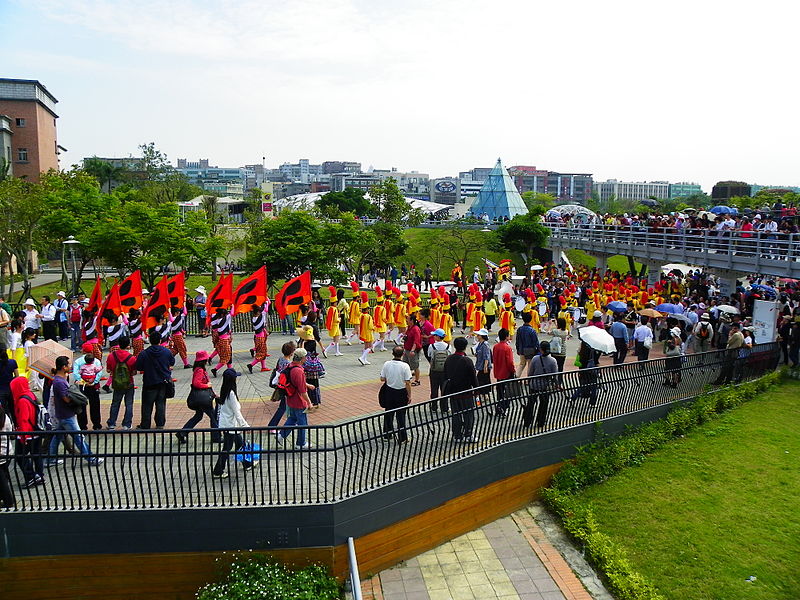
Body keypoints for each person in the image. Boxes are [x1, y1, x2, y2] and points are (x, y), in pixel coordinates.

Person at [48, 355, 102, 466]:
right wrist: (76, 398)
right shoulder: (59, 382)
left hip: (62, 414)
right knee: (78, 437)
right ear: (63, 367)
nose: (70, 366)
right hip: (67, 415)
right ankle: (91, 458)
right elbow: (66, 399)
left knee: (57, 437)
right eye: (68, 364)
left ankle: (51, 459)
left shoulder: (59, 380)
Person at [212, 368, 255, 478]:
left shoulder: (225, 390)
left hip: (229, 425)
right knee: (227, 447)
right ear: (233, 380)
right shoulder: (231, 394)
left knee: (240, 444)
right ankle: (218, 470)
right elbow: (237, 413)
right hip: (230, 426)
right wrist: (246, 427)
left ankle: (247, 464)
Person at [177, 350, 220, 443]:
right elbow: (196, 383)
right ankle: (216, 437)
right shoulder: (200, 370)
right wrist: (207, 386)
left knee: (198, 416)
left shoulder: (198, 369)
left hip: (200, 398)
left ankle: (182, 433)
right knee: (213, 417)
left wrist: (213, 394)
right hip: (203, 399)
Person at [135, 330, 175, 429]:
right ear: (160, 340)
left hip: (149, 381)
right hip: (163, 382)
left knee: (147, 405)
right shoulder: (166, 351)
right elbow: (172, 362)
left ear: (149, 340)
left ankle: (145, 424)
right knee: (161, 403)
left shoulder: (144, 353)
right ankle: (160, 423)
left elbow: (139, 367)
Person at [11, 376, 45, 488]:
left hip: (28, 434)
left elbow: (23, 420)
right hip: (37, 431)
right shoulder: (30, 395)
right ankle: (40, 476)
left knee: (20, 457)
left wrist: (23, 436)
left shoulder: (22, 400)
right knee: (37, 455)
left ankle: (31, 477)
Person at [443, 337, 479, 443]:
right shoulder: (467, 361)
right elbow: (473, 377)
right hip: (466, 393)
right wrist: (477, 391)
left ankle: (457, 435)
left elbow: (445, 375)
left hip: (453, 393)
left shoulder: (449, 359)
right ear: (465, 347)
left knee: (456, 414)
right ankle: (468, 434)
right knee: (468, 414)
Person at [277, 348, 314, 449]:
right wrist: (309, 403)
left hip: (290, 399)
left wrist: (307, 384)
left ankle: (281, 435)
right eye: (306, 357)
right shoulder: (299, 371)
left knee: (292, 419)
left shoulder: (290, 366)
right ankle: (300, 444)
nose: (307, 358)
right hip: (299, 401)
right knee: (303, 423)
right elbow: (302, 392)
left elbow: (296, 382)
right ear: (302, 359)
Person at [379, 346, 413, 443]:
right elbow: (408, 382)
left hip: (389, 391)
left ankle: (387, 434)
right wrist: (409, 395)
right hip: (401, 392)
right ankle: (402, 437)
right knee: (401, 415)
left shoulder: (387, 364)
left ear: (392, 353)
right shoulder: (405, 366)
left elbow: (382, 378)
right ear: (403, 354)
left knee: (388, 413)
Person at [524, 341, 558, 430]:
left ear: (541, 350)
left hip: (534, 384)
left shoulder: (535, 359)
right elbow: (555, 375)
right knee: (543, 404)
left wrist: (529, 380)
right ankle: (540, 421)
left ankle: (527, 421)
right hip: (545, 386)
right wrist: (556, 384)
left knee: (531, 403)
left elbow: (530, 372)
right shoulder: (553, 361)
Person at [106, 336, 137, 430]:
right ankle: (127, 424)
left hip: (117, 383)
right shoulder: (131, 358)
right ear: (128, 345)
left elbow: (108, 370)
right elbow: (134, 372)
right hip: (129, 383)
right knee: (129, 404)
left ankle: (112, 423)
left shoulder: (111, 355)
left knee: (115, 403)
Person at [73, 342, 104, 430]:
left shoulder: (78, 361)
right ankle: (96, 424)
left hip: (82, 386)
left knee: (82, 405)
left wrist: (83, 381)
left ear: (83, 350)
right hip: (93, 386)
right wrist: (94, 381)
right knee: (95, 405)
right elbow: (99, 373)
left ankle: (83, 426)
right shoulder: (96, 361)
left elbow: (76, 374)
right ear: (92, 350)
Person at [267, 341, 296, 431]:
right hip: (285, 387)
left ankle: (292, 422)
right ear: (291, 353)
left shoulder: (281, 359)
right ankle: (272, 426)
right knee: (283, 407)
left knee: (289, 406)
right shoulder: (288, 364)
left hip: (280, 385)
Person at [492, 327, 516, 418]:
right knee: (508, 393)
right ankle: (503, 409)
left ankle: (499, 407)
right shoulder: (507, 348)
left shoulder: (495, 347)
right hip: (506, 373)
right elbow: (510, 362)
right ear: (506, 337)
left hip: (498, 372)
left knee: (500, 392)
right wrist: (513, 370)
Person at [426, 329, 451, 413]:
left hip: (434, 370)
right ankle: (445, 408)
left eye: (434, 335)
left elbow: (429, 355)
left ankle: (434, 407)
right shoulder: (448, 346)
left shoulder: (432, 346)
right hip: (445, 371)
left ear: (437, 336)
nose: (433, 336)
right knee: (444, 389)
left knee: (434, 389)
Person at [571, 341, 599, 407]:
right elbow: (596, 360)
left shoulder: (581, 351)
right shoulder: (593, 350)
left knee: (583, 386)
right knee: (594, 387)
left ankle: (573, 398)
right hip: (591, 370)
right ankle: (592, 403)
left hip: (583, 370)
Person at [246, 304, 271, 373]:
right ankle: (251, 365)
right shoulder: (260, 317)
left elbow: (262, 327)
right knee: (261, 354)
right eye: (259, 312)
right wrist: (265, 301)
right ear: (257, 312)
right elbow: (265, 309)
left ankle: (263, 367)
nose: (260, 312)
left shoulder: (254, 319)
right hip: (260, 338)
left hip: (257, 337)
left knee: (262, 352)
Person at [515, 312, 540, 377]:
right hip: (530, 350)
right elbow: (535, 342)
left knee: (522, 364)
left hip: (521, 349)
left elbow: (517, 340)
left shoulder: (520, 329)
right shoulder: (532, 330)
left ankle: (516, 376)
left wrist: (518, 348)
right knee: (530, 364)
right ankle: (528, 379)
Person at [302, 339, 324, 408]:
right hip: (315, 374)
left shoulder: (306, 355)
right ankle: (317, 402)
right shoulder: (314, 354)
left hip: (308, 373)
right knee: (316, 386)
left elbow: (302, 352)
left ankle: (309, 402)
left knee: (309, 387)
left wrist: (302, 342)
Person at [0, 403, 14, 508]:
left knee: (2, 480)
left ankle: (8, 501)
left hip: (1, 453)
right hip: (7, 451)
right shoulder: (5, 416)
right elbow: (10, 431)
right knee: (4, 476)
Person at [402, 312, 422, 384]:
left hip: (412, 350)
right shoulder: (409, 328)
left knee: (415, 365)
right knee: (405, 364)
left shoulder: (415, 329)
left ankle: (417, 380)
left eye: (407, 319)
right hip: (407, 349)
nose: (406, 321)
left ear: (412, 320)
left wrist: (412, 350)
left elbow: (416, 341)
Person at [474, 328, 492, 392]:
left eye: (478, 335)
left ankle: (485, 394)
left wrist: (485, 367)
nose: (477, 336)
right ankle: (484, 394)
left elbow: (486, 356)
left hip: (484, 366)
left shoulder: (485, 344)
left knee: (483, 381)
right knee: (482, 380)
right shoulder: (479, 344)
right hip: (481, 365)